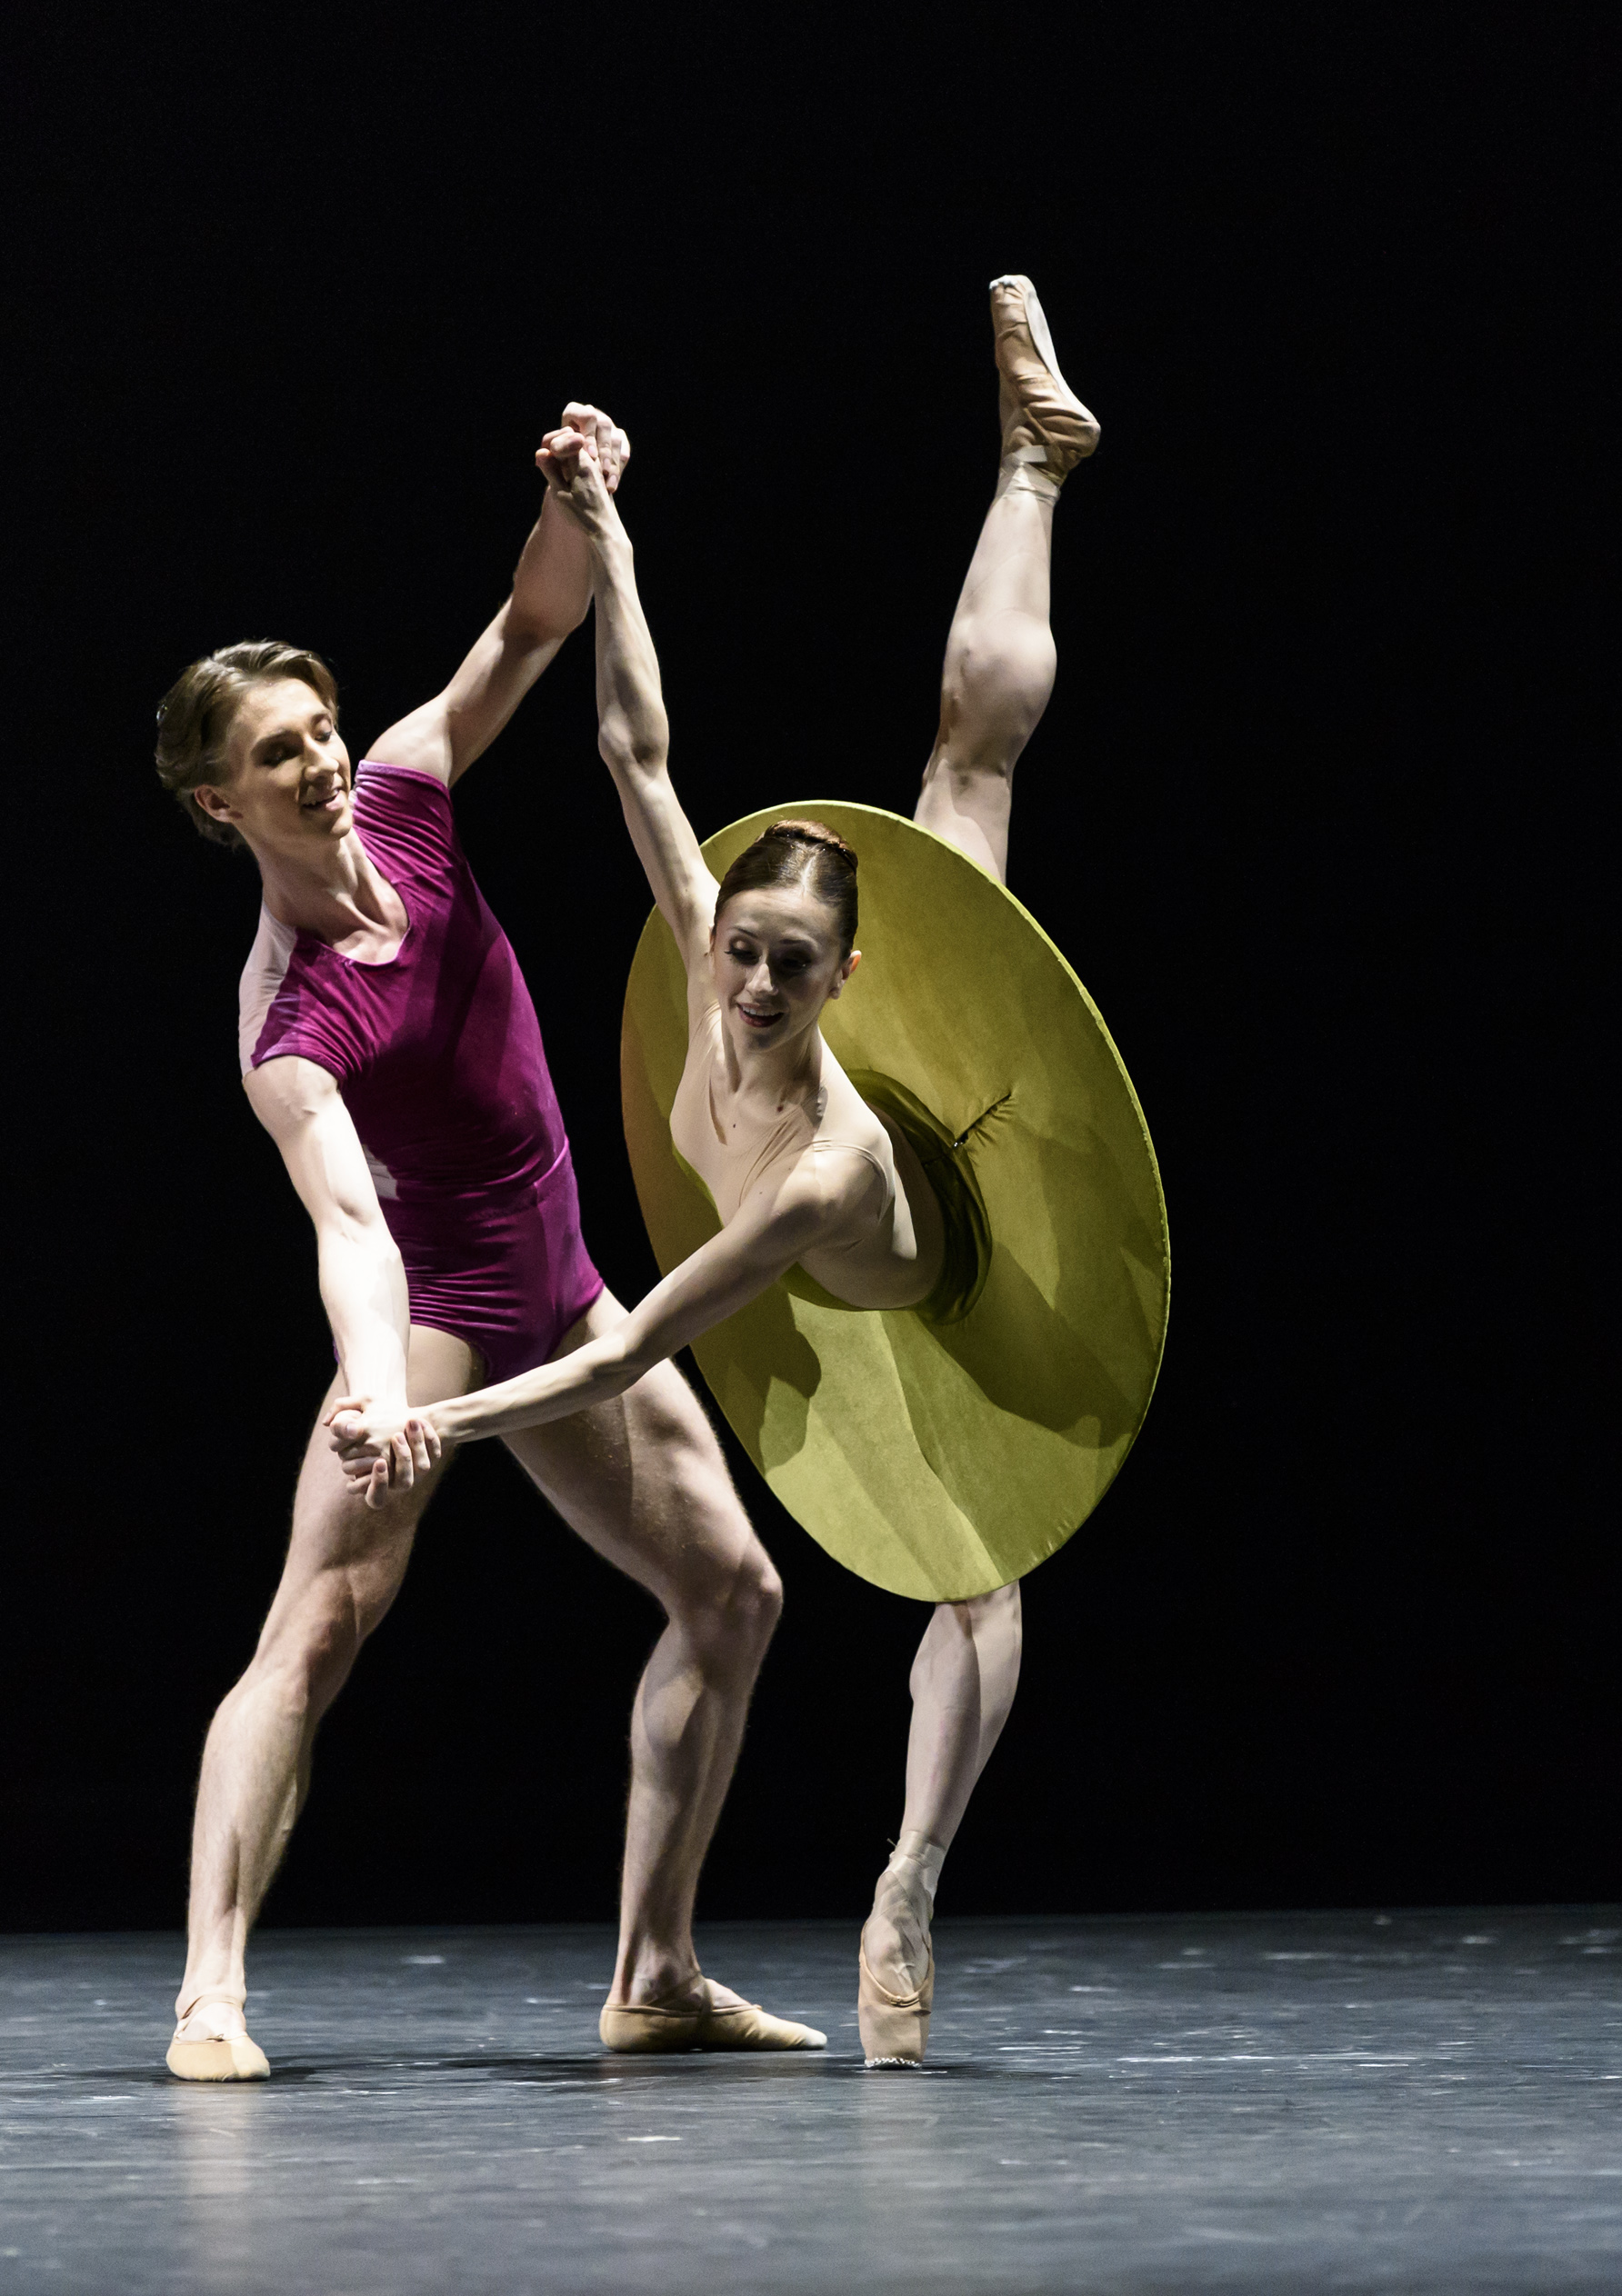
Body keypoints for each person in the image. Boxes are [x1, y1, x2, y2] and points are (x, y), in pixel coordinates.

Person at [331, 275, 1099, 2065]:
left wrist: (438, 1424)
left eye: (788, 967)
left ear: (847, 977)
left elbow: (625, 1350)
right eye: (740, 949)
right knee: (962, 745)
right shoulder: (708, 955)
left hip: (940, 1271)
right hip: (816, 1263)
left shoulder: (827, 1164)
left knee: (977, 1578)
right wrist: (603, 528)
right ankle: (1041, 460)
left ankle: (907, 1882)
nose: (747, 986)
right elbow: (633, 747)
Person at [151, 414, 825, 2080]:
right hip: (440, 1309)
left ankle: (654, 1972)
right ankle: (209, 1994)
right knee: (316, 1627)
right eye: (280, 754)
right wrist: (378, 1388)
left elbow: (530, 626)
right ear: (219, 800)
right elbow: (353, 1221)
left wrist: (570, 497)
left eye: (320, 726)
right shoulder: (286, 1021)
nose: (321, 761)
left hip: (563, 1282)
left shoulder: (407, 787)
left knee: (733, 1592)